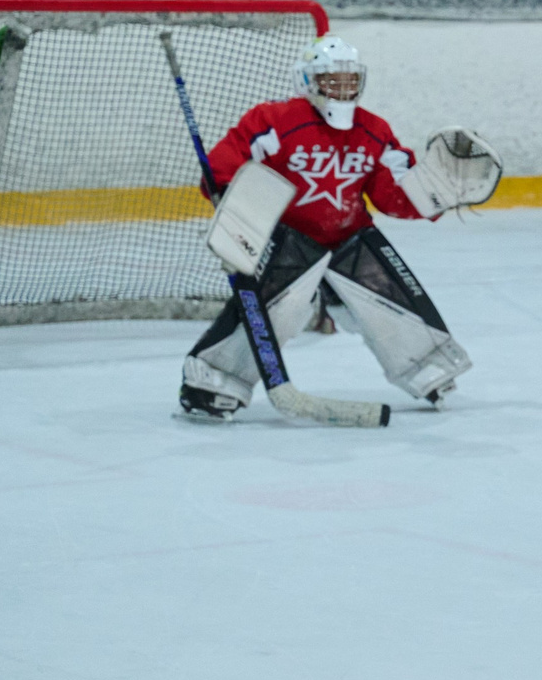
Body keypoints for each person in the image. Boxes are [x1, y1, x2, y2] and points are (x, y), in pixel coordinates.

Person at [178, 35, 490, 422]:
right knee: (279, 311)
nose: (342, 87)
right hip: (290, 237)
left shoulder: (374, 130)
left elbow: (392, 195)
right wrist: (223, 185)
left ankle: (428, 368)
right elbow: (230, 160)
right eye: (331, 79)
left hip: (350, 235)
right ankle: (213, 382)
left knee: (392, 299)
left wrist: (436, 195)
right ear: (307, 81)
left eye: (350, 79)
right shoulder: (275, 121)